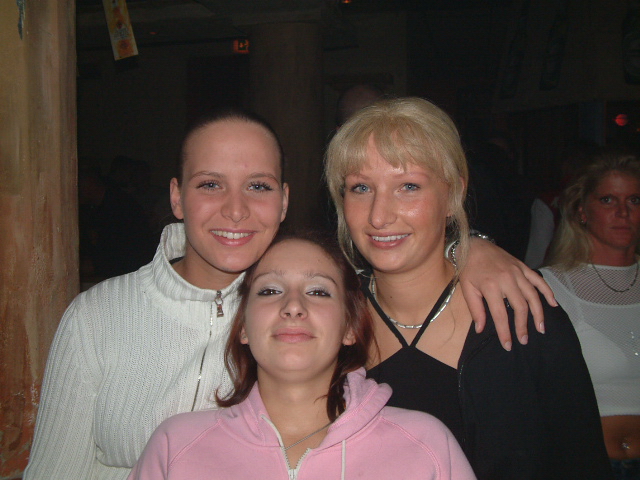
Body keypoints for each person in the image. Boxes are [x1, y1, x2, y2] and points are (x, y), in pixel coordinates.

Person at [26, 107, 550, 480]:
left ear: (283, 201)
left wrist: (470, 248)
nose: (235, 209)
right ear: (176, 197)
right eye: (209, 184)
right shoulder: (98, 316)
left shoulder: (312, 307)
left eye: (257, 186)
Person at [325, 97, 613, 479]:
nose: (379, 216)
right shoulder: (326, 322)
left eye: (408, 186)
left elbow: (583, 463)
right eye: (361, 187)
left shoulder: (524, 310)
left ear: (452, 195)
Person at [128, 234, 476, 479]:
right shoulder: (175, 447)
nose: (293, 306)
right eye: (269, 290)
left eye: (318, 291)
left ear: (349, 328)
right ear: (243, 326)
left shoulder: (425, 446)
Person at [541, 149, 640, 479]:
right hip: (588, 464)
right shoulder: (548, 288)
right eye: (608, 200)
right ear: (582, 211)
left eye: (635, 200)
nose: (623, 212)